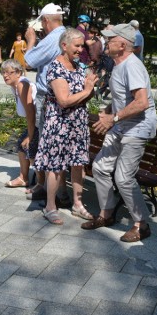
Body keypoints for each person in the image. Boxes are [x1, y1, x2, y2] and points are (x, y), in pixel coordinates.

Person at [83, 23, 157, 242]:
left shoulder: (132, 66)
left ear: (122, 44)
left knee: (124, 178)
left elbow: (142, 102)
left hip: (137, 127)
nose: (105, 42)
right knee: (100, 167)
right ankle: (106, 214)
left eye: (110, 39)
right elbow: (124, 98)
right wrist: (108, 111)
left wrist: (113, 118)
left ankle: (141, 224)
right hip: (122, 124)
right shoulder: (118, 64)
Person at [33, 28, 97, 225]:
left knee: (78, 163)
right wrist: (87, 90)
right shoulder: (55, 67)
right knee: (56, 166)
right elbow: (63, 100)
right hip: (59, 122)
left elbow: (87, 94)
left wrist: (90, 89)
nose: (80, 49)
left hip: (77, 122)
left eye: (81, 45)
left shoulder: (79, 66)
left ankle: (78, 204)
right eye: (76, 46)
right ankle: (50, 206)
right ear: (64, 46)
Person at [23, 3, 67, 202]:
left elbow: (28, 62)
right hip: (59, 95)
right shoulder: (65, 34)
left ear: (46, 21)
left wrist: (31, 41)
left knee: (48, 143)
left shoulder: (53, 38)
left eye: (42, 22)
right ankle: (48, 186)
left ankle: (55, 191)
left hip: (48, 96)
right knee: (53, 143)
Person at [0, 59, 36, 188]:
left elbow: (31, 112)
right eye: (3, 72)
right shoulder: (16, 86)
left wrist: (30, 136)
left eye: (9, 72)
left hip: (39, 123)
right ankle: (23, 178)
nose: (5, 75)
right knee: (21, 144)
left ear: (18, 72)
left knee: (30, 148)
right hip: (35, 123)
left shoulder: (22, 85)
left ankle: (43, 184)